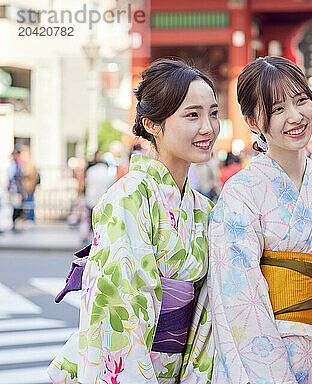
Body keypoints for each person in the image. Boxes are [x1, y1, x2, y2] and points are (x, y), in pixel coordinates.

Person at [48, 59, 220, 383]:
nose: (208, 127)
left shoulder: (205, 210)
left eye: (213, 113)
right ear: (152, 123)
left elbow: (209, 311)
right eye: (192, 115)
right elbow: (117, 311)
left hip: (180, 370)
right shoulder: (128, 198)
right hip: (135, 367)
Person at [208, 56, 312, 383]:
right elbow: (238, 297)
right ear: (252, 121)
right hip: (263, 360)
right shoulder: (241, 193)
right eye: (277, 109)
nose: (295, 116)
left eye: (301, 100)